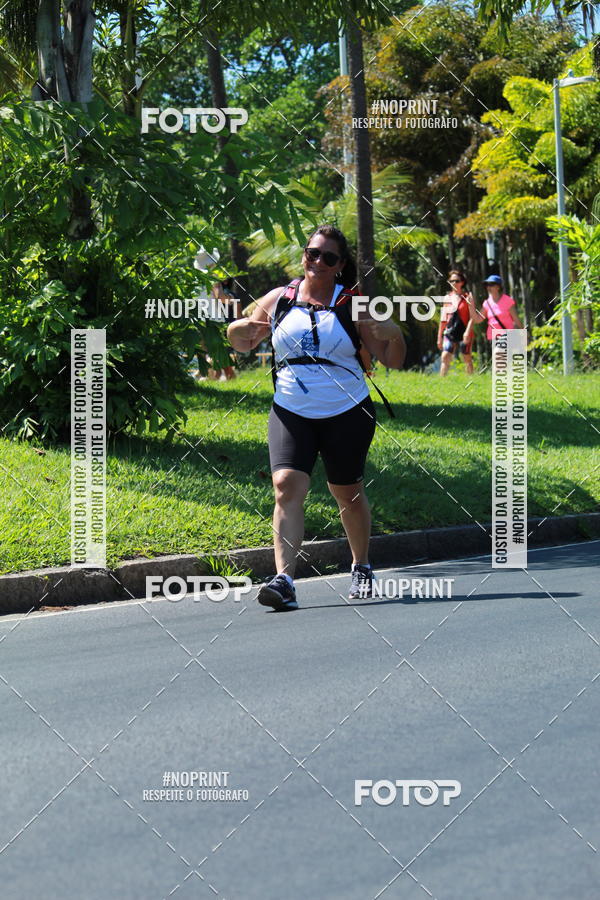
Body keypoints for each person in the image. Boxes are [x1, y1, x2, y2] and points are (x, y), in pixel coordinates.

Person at [227, 225, 406, 611]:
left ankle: (361, 566)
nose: (318, 262)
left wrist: (395, 334)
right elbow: (245, 341)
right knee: (286, 485)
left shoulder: (355, 303)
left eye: (329, 257)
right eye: (312, 253)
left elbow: (393, 360)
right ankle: (285, 580)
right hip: (291, 409)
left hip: (346, 410)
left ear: (341, 266)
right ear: (304, 256)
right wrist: (234, 330)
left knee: (348, 493)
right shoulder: (279, 298)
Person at [437, 269, 474, 376]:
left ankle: (471, 380)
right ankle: (441, 382)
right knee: (445, 356)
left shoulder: (468, 297)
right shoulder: (447, 298)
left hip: (464, 331)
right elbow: (443, 319)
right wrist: (439, 336)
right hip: (450, 331)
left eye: (457, 281)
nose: (454, 283)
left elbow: (473, 317)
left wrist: (468, 332)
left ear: (462, 282)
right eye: (452, 281)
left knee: (466, 356)